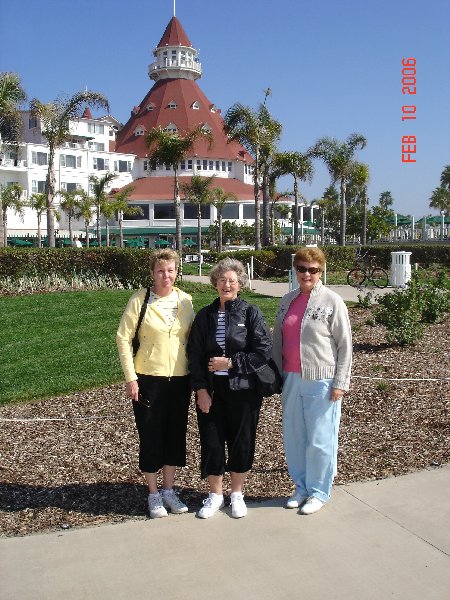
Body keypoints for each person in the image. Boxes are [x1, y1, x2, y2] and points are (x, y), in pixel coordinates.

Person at [187, 258, 273, 519]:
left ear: (240, 284)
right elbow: (195, 355)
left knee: (242, 443)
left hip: (244, 391)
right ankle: (215, 495)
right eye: (222, 280)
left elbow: (263, 351)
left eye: (232, 281)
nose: (227, 284)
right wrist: (201, 390)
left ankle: (236, 494)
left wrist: (232, 362)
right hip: (213, 392)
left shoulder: (251, 313)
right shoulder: (205, 316)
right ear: (215, 283)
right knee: (212, 442)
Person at [272, 247, 352, 515]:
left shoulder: (332, 301)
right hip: (290, 378)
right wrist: (274, 375)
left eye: (313, 269)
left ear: (321, 271)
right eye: (302, 268)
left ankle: (319, 491)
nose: (307, 274)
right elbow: (278, 340)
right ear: (295, 270)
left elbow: (345, 345)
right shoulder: (287, 300)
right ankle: (302, 487)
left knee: (320, 438)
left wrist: (341, 381)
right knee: (295, 437)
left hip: (322, 380)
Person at [116, 249, 195, 519]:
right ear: (152, 273)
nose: (166, 276)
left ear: (176, 272)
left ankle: (169, 490)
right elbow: (123, 339)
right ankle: (153, 493)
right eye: (161, 271)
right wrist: (131, 378)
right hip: (148, 379)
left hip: (179, 379)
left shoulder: (185, 300)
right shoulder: (140, 300)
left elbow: (191, 339)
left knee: (174, 434)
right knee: (150, 435)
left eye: (171, 270)